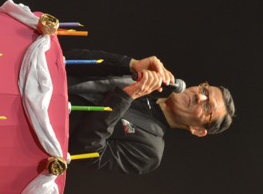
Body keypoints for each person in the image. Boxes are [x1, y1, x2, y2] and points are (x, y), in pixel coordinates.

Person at [64, 48, 236, 175]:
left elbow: (85, 152)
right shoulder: (143, 76)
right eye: (204, 90)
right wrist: (129, 64)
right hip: (48, 85)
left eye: (207, 107)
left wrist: (125, 97)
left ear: (198, 130)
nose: (200, 97)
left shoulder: (150, 151)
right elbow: (68, 60)